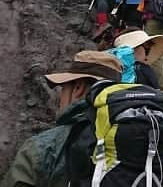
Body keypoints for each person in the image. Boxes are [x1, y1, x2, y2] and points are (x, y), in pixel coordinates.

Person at [0, 51, 123, 187]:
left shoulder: (43, 147)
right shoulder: (142, 136)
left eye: (63, 88)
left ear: (78, 88)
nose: (60, 98)